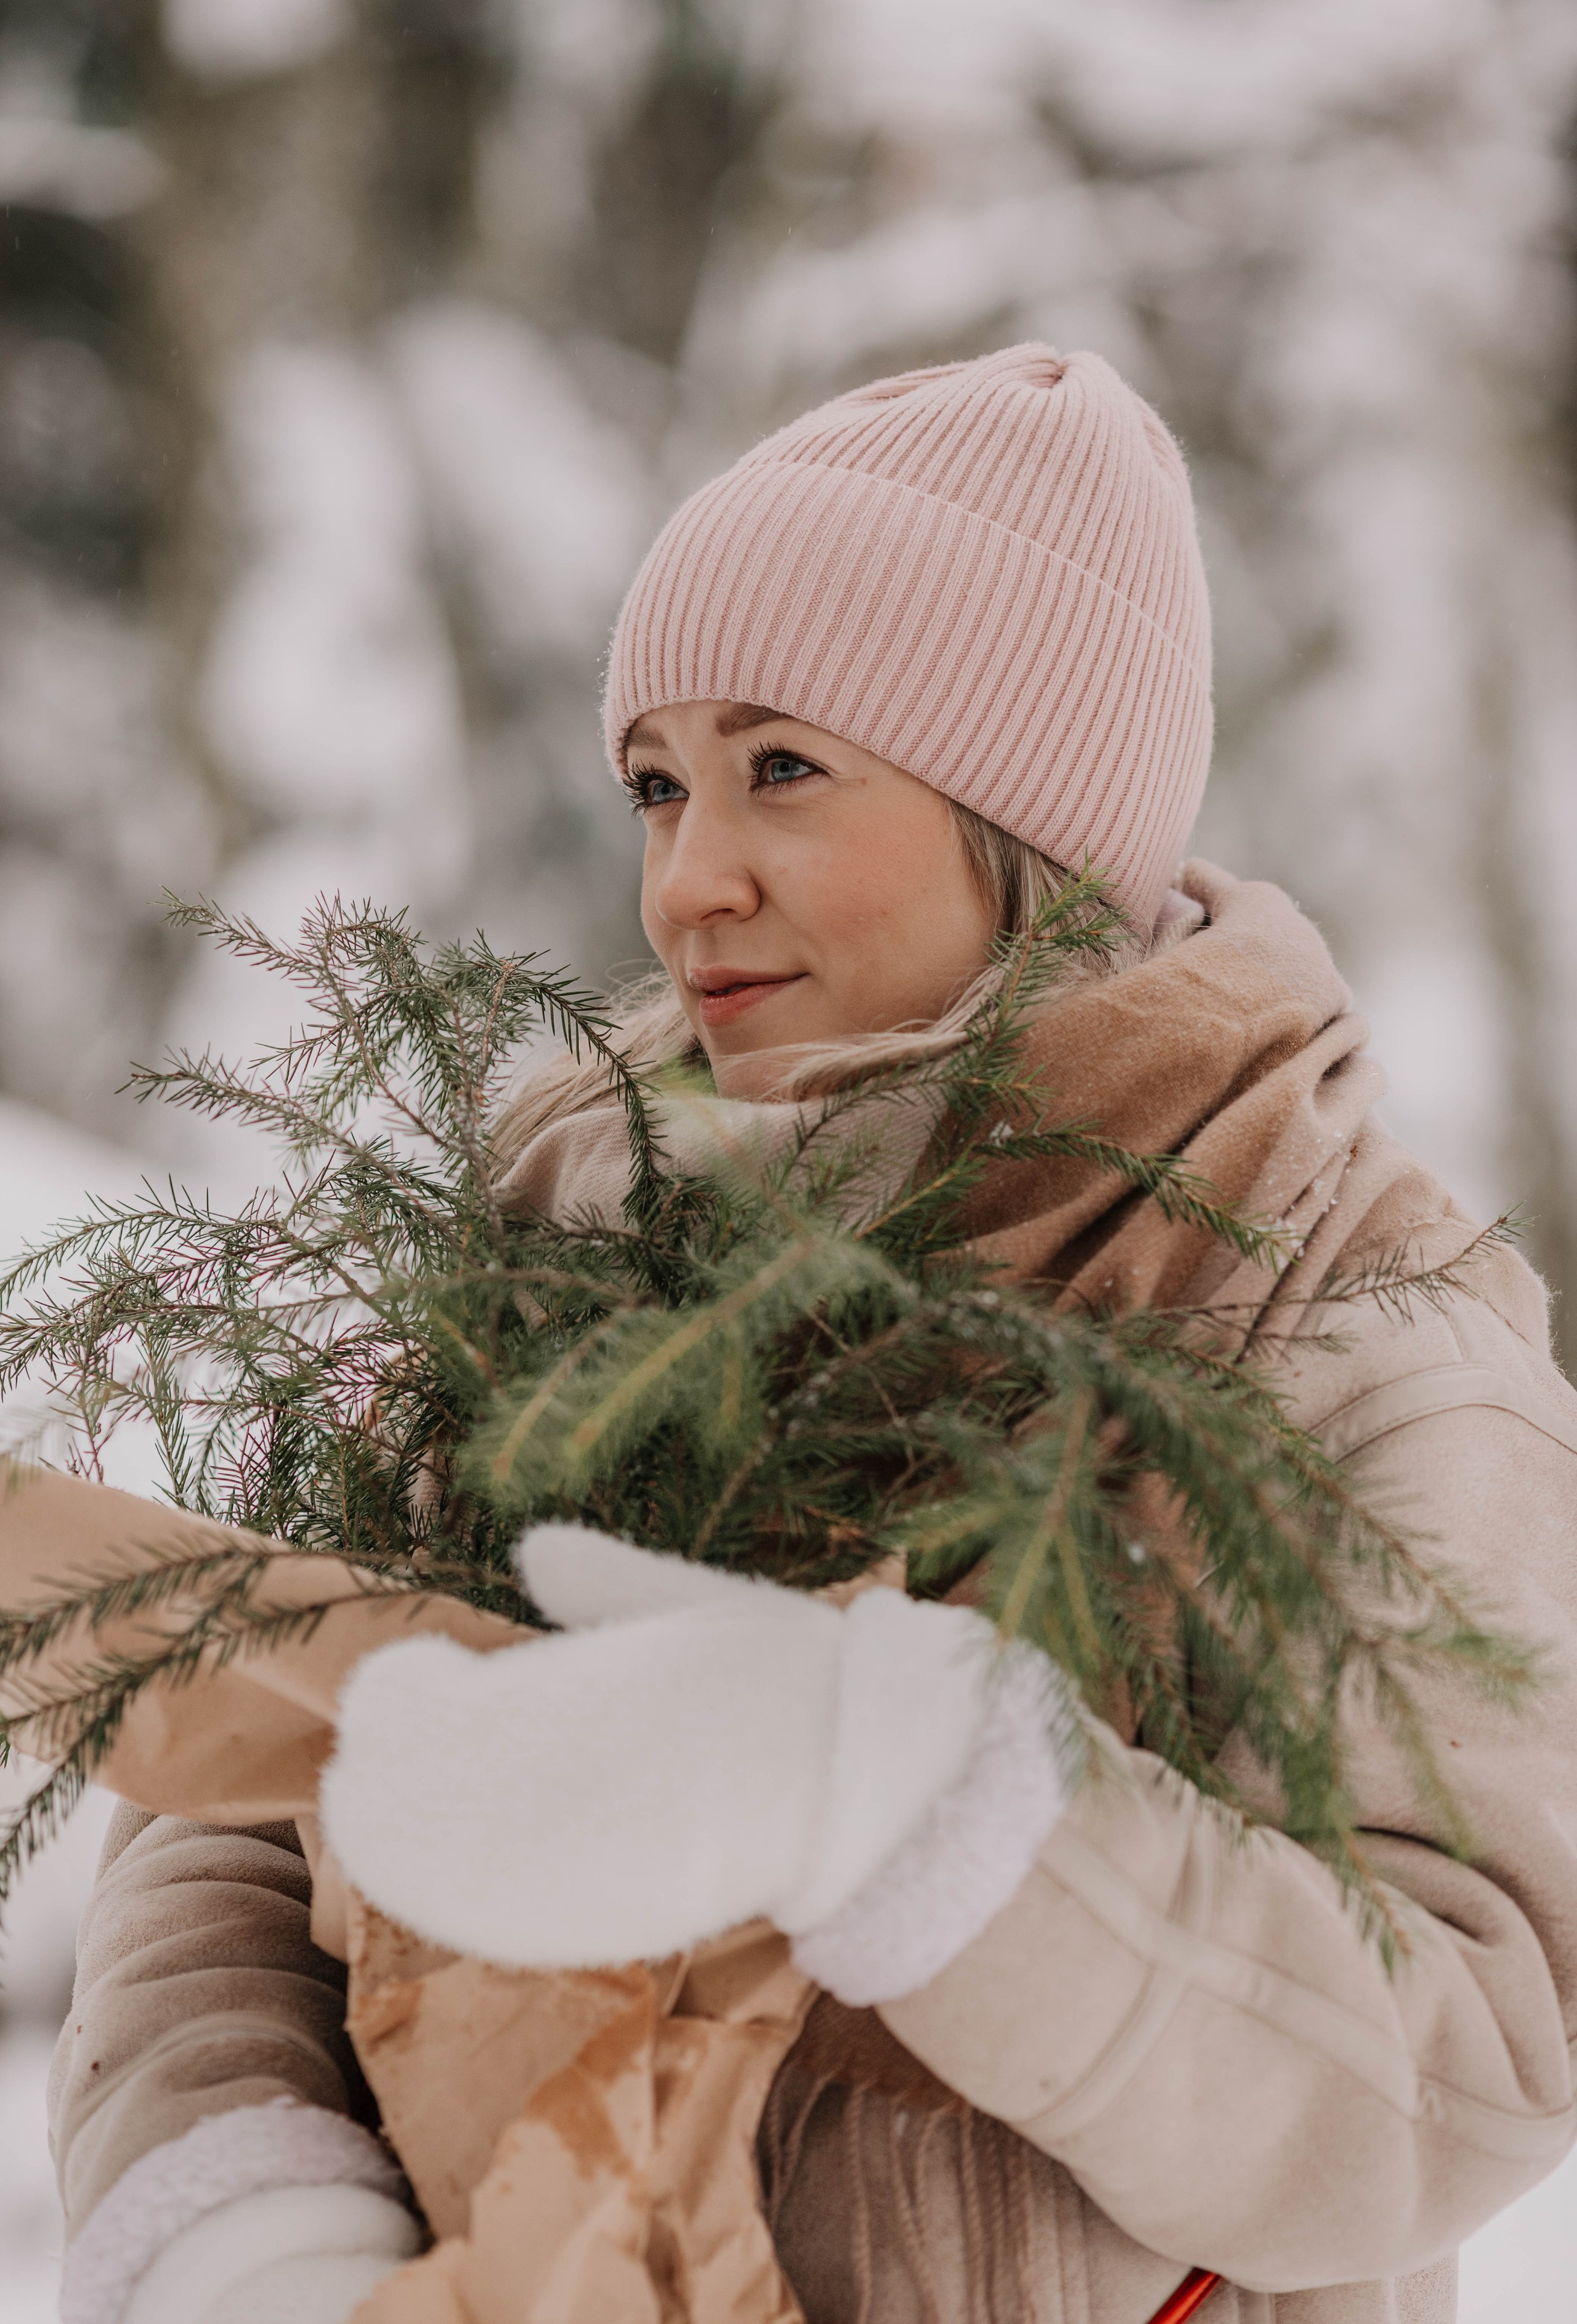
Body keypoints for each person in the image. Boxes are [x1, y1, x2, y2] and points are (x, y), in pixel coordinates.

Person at [47, 347, 1577, 2324]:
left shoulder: (1346, 1310)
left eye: (784, 768)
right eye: (659, 784)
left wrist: (911, 1797)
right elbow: (252, 1789)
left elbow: (1462, 2062)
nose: (690, 881)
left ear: (1032, 813)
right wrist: (249, 2216)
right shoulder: (553, 1239)